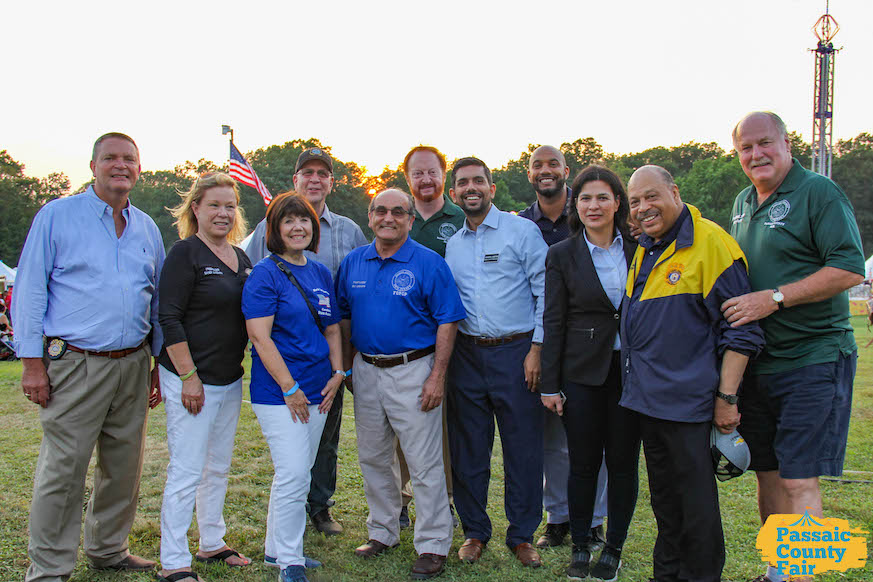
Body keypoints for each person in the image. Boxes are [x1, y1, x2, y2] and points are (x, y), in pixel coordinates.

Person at [13, 132, 165, 581]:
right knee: (65, 468)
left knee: (123, 466)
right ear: (93, 165)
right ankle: (50, 567)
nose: (120, 166)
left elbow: (155, 301)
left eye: (129, 159)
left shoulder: (146, 227)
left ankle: (108, 548)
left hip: (133, 362)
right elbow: (30, 291)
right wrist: (31, 363)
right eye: (110, 158)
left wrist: (156, 364)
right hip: (74, 362)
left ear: (139, 169)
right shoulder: (57, 216)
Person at [724, 112, 864, 582]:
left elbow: (848, 269)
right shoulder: (743, 201)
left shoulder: (818, 192)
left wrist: (776, 298)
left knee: (799, 477)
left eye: (764, 143)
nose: (755, 154)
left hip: (813, 357)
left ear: (787, 143)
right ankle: (778, 572)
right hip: (761, 363)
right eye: (745, 148)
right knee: (767, 473)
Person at [621, 165, 765, 582]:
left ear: (675, 192)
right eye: (635, 202)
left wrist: (727, 398)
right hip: (650, 401)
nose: (644, 208)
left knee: (696, 505)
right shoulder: (649, 247)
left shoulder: (713, 244)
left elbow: (742, 330)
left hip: (691, 404)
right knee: (666, 503)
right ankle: (666, 575)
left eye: (652, 196)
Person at [336, 188, 466, 580]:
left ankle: (432, 544)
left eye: (397, 211)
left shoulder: (428, 263)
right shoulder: (354, 262)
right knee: (374, 457)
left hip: (415, 369)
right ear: (370, 216)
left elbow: (448, 320)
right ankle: (383, 531)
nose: (388, 217)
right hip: (367, 368)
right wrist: (347, 367)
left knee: (424, 462)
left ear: (411, 219)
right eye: (380, 211)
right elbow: (342, 317)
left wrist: (437, 376)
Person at [246, 146, 366, 536]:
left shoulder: (348, 230)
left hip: (332, 358)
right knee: (293, 458)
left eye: (323, 173)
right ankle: (286, 536)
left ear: (331, 181)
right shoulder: (265, 238)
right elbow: (246, 286)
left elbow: (349, 304)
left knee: (327, 439)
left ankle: (320, 507)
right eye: (307, 172)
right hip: (284, 361)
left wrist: (342, 366)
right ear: (295, 179)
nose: (315, 178)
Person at [444, 157, 548, 568]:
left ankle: (522, 535)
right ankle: (474, 531)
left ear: (492, 188)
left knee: (523, 448)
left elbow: (546, 293)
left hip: (517, 352)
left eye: (478, 181)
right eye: (463, 183)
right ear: (454, 194)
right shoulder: (453, 244)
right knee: (469, 447)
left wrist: (537, 349)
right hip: (467, 356)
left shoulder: (522, 232)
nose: (471, 188)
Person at [540, 165, 639, 581]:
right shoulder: (562, 254)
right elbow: (554, 321)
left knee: (622, 465)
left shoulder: (642, 249)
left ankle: (612, 547)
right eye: (585, 198)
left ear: (618, 202)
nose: (593, 205)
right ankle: (580, 545)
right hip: (582, 374)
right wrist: (550, 384)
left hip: (633, 373)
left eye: (602, 197)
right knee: (581, 464)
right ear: (574, 205)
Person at [242, 192, 345, 582]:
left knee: (295, 471)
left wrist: (338, 374)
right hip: (280, 394)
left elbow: (332, 328)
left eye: (304, 220)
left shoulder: (318, 272)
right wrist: (289, 387)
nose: (298, 227)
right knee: (294, 473)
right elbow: (260, 336)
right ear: (275, 229)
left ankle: (275, 551)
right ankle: (290, 559)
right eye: (289, 221)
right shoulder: (265, 274)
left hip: (321, 390)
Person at [156, 172, 253, 582]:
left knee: (218, 466)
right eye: (214, 205)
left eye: (229, 206)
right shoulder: (185, 253)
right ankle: (173, 561)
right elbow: (169, 317)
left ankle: (212, 542)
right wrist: (189, 377)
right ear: (195, 208)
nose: (223, 213)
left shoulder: (241, 258)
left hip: (229, 379)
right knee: (187, 468)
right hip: (189, 379)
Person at [521, 145, 609, 552]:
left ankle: (591, 522)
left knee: (597, 440)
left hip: (596, 347)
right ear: (529, 173)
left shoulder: (592, 214)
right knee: (553, 439)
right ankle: (557, 517)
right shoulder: (520, 225)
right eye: (538, 165)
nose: (545, 171)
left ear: (566, 171)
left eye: (553, 164)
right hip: (548, 343)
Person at [400, 145, 466, 528]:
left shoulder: (460, 218)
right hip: (406, 343)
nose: (425, 179)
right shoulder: (396, 216)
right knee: (402, 427)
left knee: (445, 428)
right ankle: (403, 500)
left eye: (432, 172)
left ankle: (447, 499)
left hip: (451, 338)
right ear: (407, 177)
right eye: (417, 173)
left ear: (444, 175)